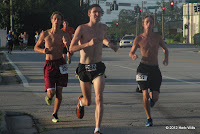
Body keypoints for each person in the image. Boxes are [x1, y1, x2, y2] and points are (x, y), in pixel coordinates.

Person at [69, 4, 118, 134]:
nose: (97, 14)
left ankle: (97, 129)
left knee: (99, 97)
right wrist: (88, 44)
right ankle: (81, 102)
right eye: (95, 12)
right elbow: (71, 48)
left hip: (98, 67)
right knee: (88, 101)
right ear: (89, 14)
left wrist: (111, 45)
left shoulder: (103, 27)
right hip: (84, 68)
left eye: (99, 12)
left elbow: (104, 39)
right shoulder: (81, 28)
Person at [129, 15, 169, 127]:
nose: (149, 24)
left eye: (151, 22)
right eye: (147, 22)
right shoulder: (139, 38)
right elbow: (131, 52)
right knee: (145, 94)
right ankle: (148, 118)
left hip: (155, 69)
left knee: (155, 97)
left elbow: (165, 49)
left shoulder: (157, 37)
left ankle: (151, 101)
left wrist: (166, 58)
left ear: (153, 24)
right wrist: (133, 55)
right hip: (143, 68)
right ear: (143, 24)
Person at [34, 11, 71, 123]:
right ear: (51, 20)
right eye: (55, 18)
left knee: (59, 91)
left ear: (61, 21)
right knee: (51, 92)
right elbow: (36, 47)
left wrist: (66, 44)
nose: (56, 21)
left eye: (59, 19)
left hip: (61, 64)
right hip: (49, 64)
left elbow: (71, 50)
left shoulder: (64, 35)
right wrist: (43, 50)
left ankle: (55, 114)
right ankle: (49, 97)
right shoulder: (45, 34)